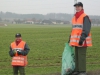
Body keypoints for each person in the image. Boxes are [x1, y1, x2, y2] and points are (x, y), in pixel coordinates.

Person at [68, 2, 92, 75]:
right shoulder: (74, 17)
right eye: (76, 7)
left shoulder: (85, 16)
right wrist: (70, 38)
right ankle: (77, 70)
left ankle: (82, 71)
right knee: (77, 56)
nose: (77, 8)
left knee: (81, 56)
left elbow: (86, 29)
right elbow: (74, 29)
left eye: (78, 6)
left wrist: (82, 38)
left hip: (83, 40)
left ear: (82, 7)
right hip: (76, 41)